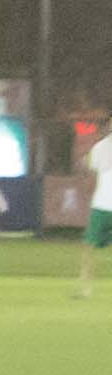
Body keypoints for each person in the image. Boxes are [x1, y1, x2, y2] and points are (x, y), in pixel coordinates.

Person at [81, 127, 110, 300]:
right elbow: (89, 165)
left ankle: (86, 288)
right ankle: (86, 288)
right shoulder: (100, 147)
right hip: (101, 204)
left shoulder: (100, 147)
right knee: (89, 245)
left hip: (102, 204)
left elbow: (88, 164)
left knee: (89, 245)